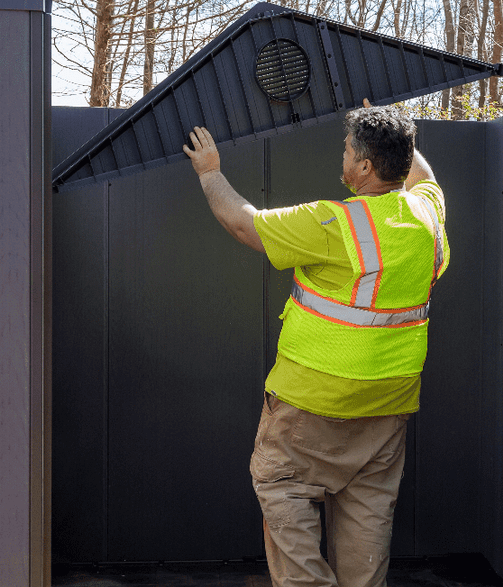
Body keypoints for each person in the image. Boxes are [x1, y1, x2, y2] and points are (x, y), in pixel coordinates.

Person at [182, 103, 448, 587]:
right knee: (367, 511)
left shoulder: (336, 225)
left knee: (280, 487)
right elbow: (422, 174)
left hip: (312, 402)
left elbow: (245, 222)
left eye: (348, 150)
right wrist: (392, 129)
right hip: (388, 405)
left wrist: (210, 172)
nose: (342, 156)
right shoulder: (428, 214)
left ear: (365, 167)